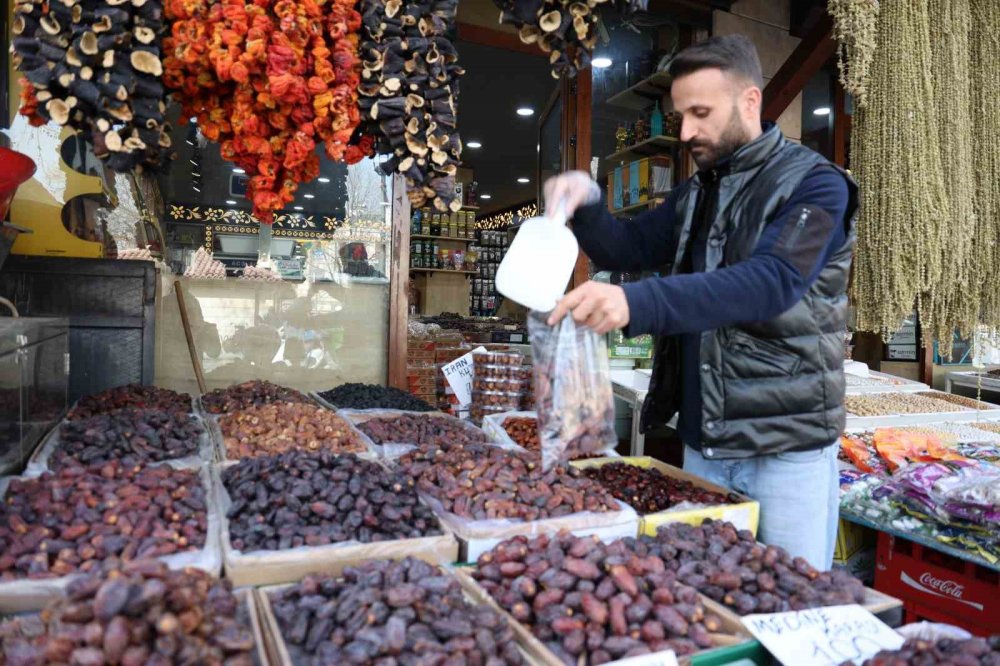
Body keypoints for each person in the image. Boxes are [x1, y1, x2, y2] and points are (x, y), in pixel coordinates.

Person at [543, 34, 858, 569]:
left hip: (786, 449)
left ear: (750, 101)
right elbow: (631, 246)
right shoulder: (699, 190)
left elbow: (771, 282)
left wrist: (634, 302)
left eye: (700, 112)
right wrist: (588, 202)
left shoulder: (818, 185)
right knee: (704, 592)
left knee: (793, 602)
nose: (686, 131)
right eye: (680, 114)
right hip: (705, 441)